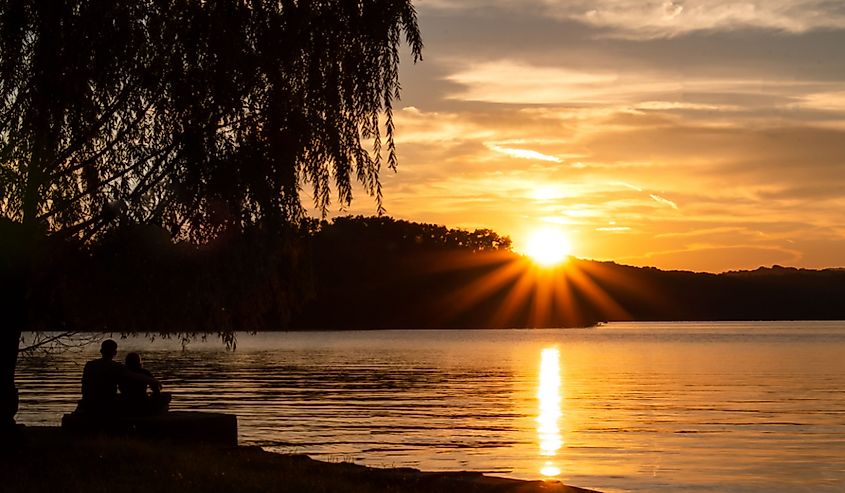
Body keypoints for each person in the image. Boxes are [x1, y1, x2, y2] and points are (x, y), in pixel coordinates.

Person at [77, 340, 162, 417]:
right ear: (115, 353)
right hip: (106, 404)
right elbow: (135, 376)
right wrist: (155, 381)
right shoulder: (116, 367)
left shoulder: (89, 365)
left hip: (88, 402)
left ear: (101, 351)